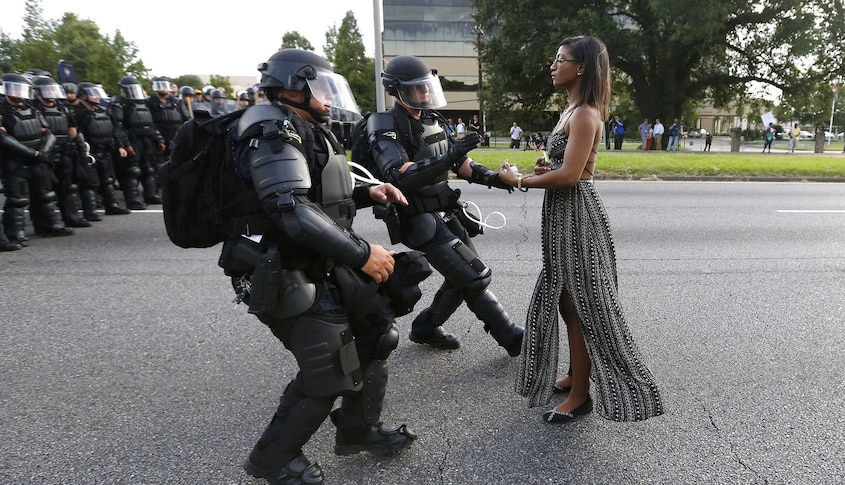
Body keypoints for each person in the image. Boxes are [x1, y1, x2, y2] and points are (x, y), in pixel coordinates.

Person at [199, 48, 419, 484]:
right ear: (293, 87)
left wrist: (367, 194)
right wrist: (363, 254)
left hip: (316, 258)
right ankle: (272, 459)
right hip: (279, 267)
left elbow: (318, 193)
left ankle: (358, 429)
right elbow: (291, 210)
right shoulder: (270, 129)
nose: (327, 95)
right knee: (329, 367)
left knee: (377, 331)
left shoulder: (304, 127)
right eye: (319, 84)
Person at [497, 35, 664, 424]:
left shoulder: (587, 113)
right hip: (562, 215)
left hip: (578, 217)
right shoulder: (570, 111)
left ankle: (580, 395)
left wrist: (519, 180)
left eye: (561, 59)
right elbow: (563, 167)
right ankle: (576, 373)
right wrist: (544, 169)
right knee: (566, 302)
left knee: (584, 306)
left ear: (582, 67)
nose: (553, 66)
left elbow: (572, 176)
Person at [364, 54, 524, 356]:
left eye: (427, 87)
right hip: (416, 217)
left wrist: (496, 179)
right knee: (474, 276)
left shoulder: (431, 120)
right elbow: (398, 175)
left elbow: (460, 162)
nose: (425, 94)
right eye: (418, 89)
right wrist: (449, 158)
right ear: (397, 90)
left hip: (445, 210)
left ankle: (425, 327)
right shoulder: (384, 123)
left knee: (461, 277)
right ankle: (511, 337)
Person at [1, 73, 75, 243]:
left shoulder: (33, 109)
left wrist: (43, 152)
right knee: (17, 199)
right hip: (15, 161)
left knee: (45, 195)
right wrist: (31, 153)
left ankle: (48, 225)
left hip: (39, 159)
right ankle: (15, 233)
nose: (19, 93)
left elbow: (49, 133)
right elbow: (4, 138)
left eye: (22, 89)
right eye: (15, 89)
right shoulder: (2, 111)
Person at [31, 75, 92, 228]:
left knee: (68, 187)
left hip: (64, 152)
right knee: (44, 192)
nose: (51, 92)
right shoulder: (33, 109)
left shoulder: (62, 107)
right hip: (45, 154)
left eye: (53, 89)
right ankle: (45, 224)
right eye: (48, 90)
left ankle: (71, 218)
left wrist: (77, 149)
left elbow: (72, 129)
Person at [73, 82, 131, 216]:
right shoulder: (77, 113)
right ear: (82, 96)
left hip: (105, 151)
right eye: (92, 94)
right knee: (89, 184)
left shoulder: (103, 111)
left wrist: (120, 146)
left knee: (108, 180)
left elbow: (114, 130)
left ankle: (112, 205)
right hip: (89, 153)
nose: (97, 97)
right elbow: (75, 134)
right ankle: (90, 211)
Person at [110, 75, 166, 206]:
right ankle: (133, 199)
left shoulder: (143, 103)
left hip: (147, 139)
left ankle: (151, 195)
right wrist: (125, 144)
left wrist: (159, 140)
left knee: (149, 169)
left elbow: (151, 124)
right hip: (132, 138)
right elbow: (118, 127)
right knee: (132, 170)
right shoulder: (120, 104)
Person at [145, 77, 185, 156]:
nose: (163, 88)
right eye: (160, 86)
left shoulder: (177, 102)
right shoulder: (149, 102)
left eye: (164, 85)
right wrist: (158, 139)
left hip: (176, 136)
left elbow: (186, 119)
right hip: (158, 136)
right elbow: (149, 121)